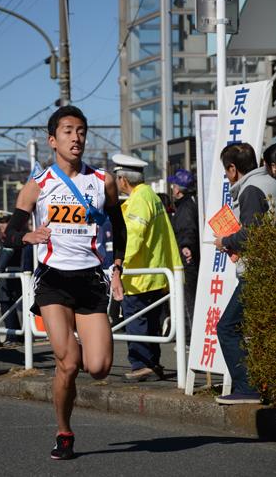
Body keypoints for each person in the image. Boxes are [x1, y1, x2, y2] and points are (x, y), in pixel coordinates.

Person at [3, 105, 126, 460]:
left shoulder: (103, 181)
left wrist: (116, 268)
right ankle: (64, 430)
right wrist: (27, 237)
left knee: (100, 368)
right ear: (52, 140)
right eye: (69, 131)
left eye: (82, 131)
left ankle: (69, 389)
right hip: (53, 281)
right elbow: (10, 233)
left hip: (90, 280)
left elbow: (119, 228)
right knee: (69, 363)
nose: (77, 137)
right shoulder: (37, 185)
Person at [214, 143, 276, 404]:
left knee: (227, 327)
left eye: (226, 170)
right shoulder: (269, 183)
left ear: (232, 168)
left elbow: (252, 232)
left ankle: (247, 386)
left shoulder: (251, 190)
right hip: (268, 269)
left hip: (259, 272)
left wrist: (225, 241)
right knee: (263, 331)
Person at [112, 153, 181, 383]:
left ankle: (141, 365)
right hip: (155, 272)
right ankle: (153, 364)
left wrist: (119, 266)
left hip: (139, 274)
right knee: (150, 321)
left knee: (137, 320)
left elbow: (134, 236)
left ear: (123, 180)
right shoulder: (151, 196)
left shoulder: (138, 200)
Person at [167, 169, 200, 344]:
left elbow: (188, 230)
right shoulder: (188, 204)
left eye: (174, 185)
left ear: (178, 189)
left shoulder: (185, 207)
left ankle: (193, 340)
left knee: (190, 300)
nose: (172, 188)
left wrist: (186, 246)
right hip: (186, 259)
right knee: (188, 299)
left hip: (186, 261)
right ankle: (189, 337)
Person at [0, 210, 32, 346]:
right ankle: (13, 335)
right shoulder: (3, 238)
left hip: (17, 275)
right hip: (7, 277)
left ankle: (17, 336)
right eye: (1, 222)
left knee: (18, 306)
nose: (3, 225)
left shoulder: (16, 236)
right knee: (6, 305)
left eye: (6, 222)